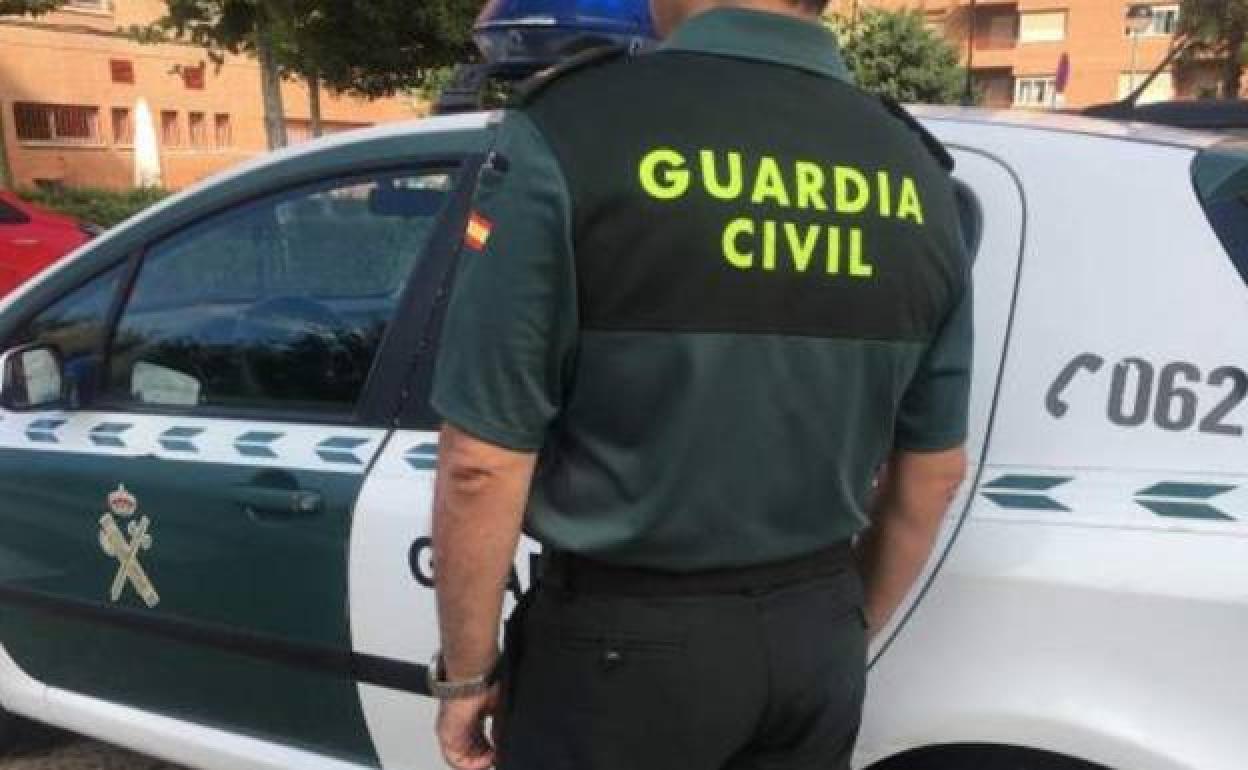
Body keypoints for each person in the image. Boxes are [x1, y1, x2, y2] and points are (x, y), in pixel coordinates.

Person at [428, 0, 974, 766]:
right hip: (816, 641)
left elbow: (481, 463)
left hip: (621, 655)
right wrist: (838, 635)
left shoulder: (577, 126)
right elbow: (934, 476)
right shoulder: (916, 171)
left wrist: (465, 676)